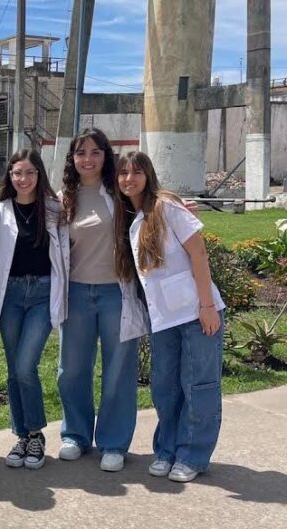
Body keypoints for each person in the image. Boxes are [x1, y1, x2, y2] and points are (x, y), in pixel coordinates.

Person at [114, 151, 225, 482]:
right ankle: (166, 450)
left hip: (195, 312)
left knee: (198, 386)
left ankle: (192, 455)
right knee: (165, 388)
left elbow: (199, 253)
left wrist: (206, 306)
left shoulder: (166, 206)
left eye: (136, 172)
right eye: (122, 173)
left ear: (148, 175)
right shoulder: (129, 214)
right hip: (162, 319)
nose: (128, 179)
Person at [56, 128, 149, 473]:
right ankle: (76, 435)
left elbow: (152, 203)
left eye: (95, 152)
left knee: (118, 370)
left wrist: (180, 204)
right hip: (77, 292)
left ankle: (113, 442)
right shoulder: (64, 197)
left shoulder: (119, 192)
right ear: (73, 159)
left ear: (105, 157)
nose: (88, 159)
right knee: (72, 369)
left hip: (116, 291)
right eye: (81, 153)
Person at [0, 149, 68, 470]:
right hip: (9, 295)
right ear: (9, 177)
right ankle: (21, 435)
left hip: (41, 293)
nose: (23, 179)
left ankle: (36, 433)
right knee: (13, 369)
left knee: (26, 366)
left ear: (39, 175)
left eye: (29, 173)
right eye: (16, 173)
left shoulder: (55, 209)